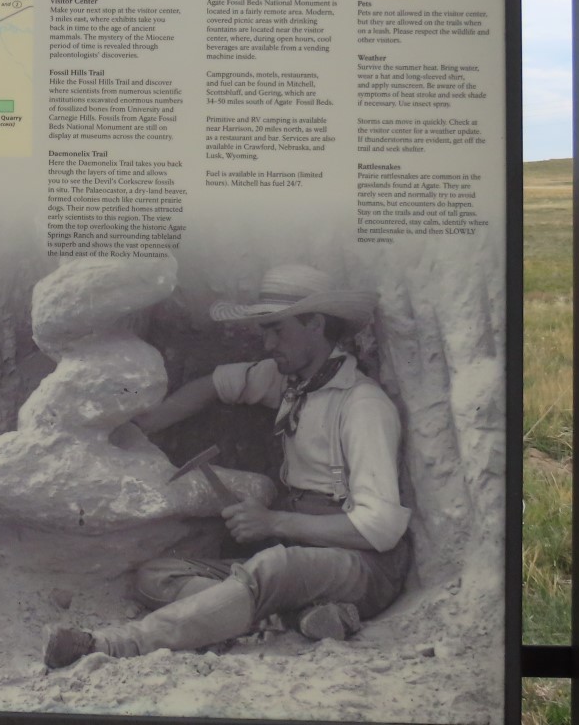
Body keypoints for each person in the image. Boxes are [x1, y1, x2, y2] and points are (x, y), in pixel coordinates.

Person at [44, 263, 409, 668]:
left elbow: (381, 527)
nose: (267, 342)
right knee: (157, 575)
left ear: (316, 325)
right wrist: (145, 422)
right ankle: (286, 616)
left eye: (277, 329)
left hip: (363, 565)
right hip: (303, 551)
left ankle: (114, 644)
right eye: (264, 330)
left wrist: (273, 524)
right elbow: (217, 383)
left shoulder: (362, 404)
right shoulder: (291, 381)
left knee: (274, 565)